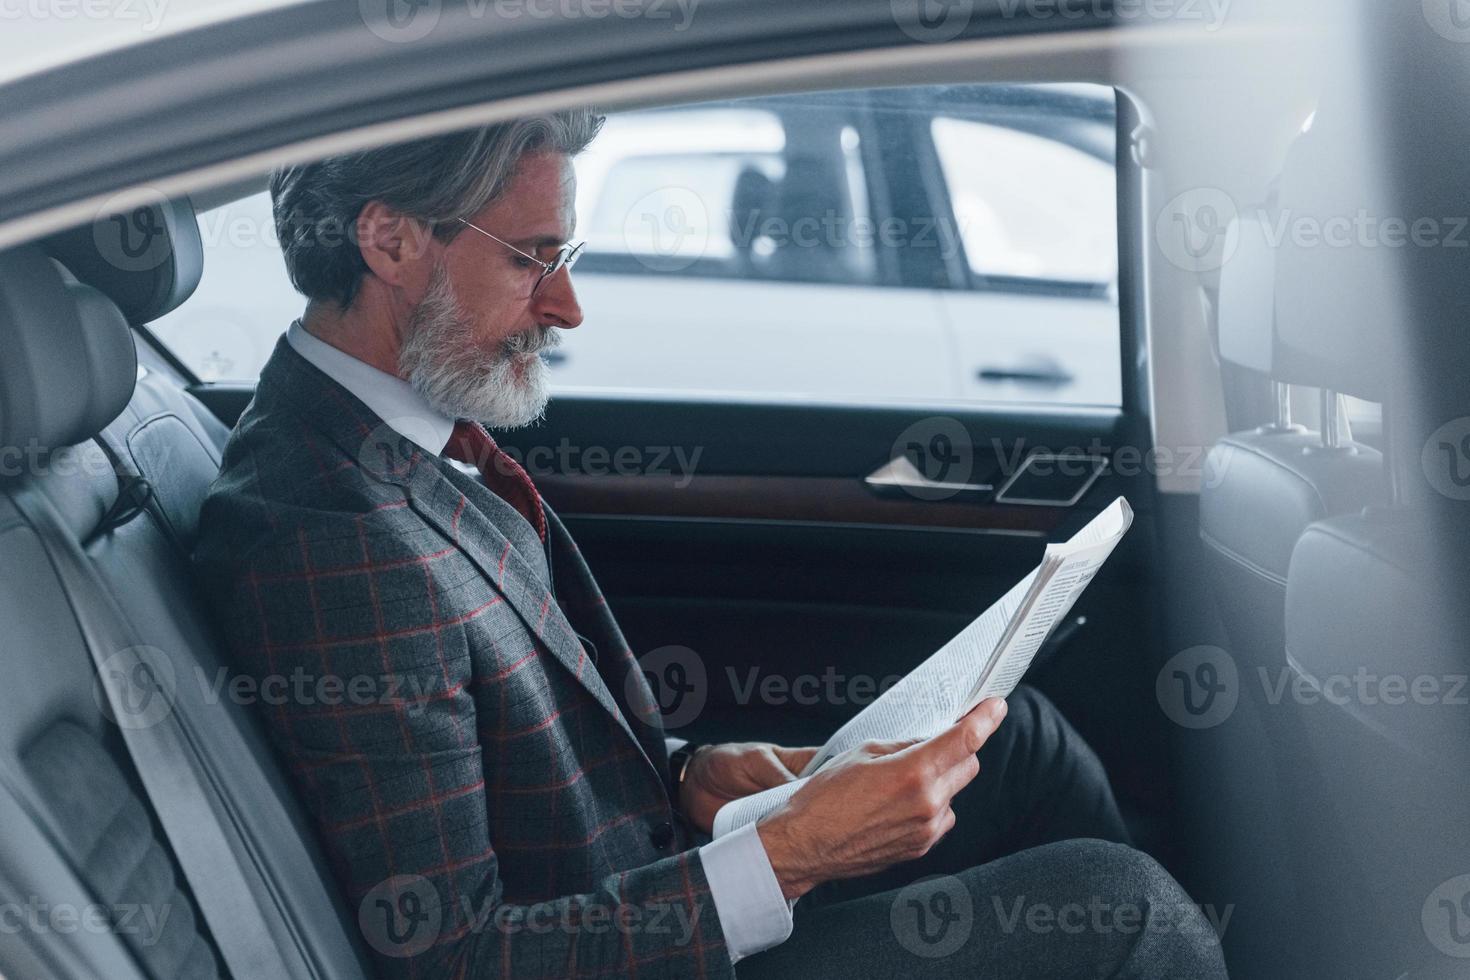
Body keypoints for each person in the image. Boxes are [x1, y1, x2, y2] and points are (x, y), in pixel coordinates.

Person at [194, 109, 1227, 979]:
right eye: (532, 258)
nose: (567, 305)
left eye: (567, 256)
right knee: (1124, 910)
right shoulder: (322, 535)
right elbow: (454, 953)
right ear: (389, 242)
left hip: (643, 872)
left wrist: (687, 774)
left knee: (1021, 736)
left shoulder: (398, 434)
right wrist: (788, 851)